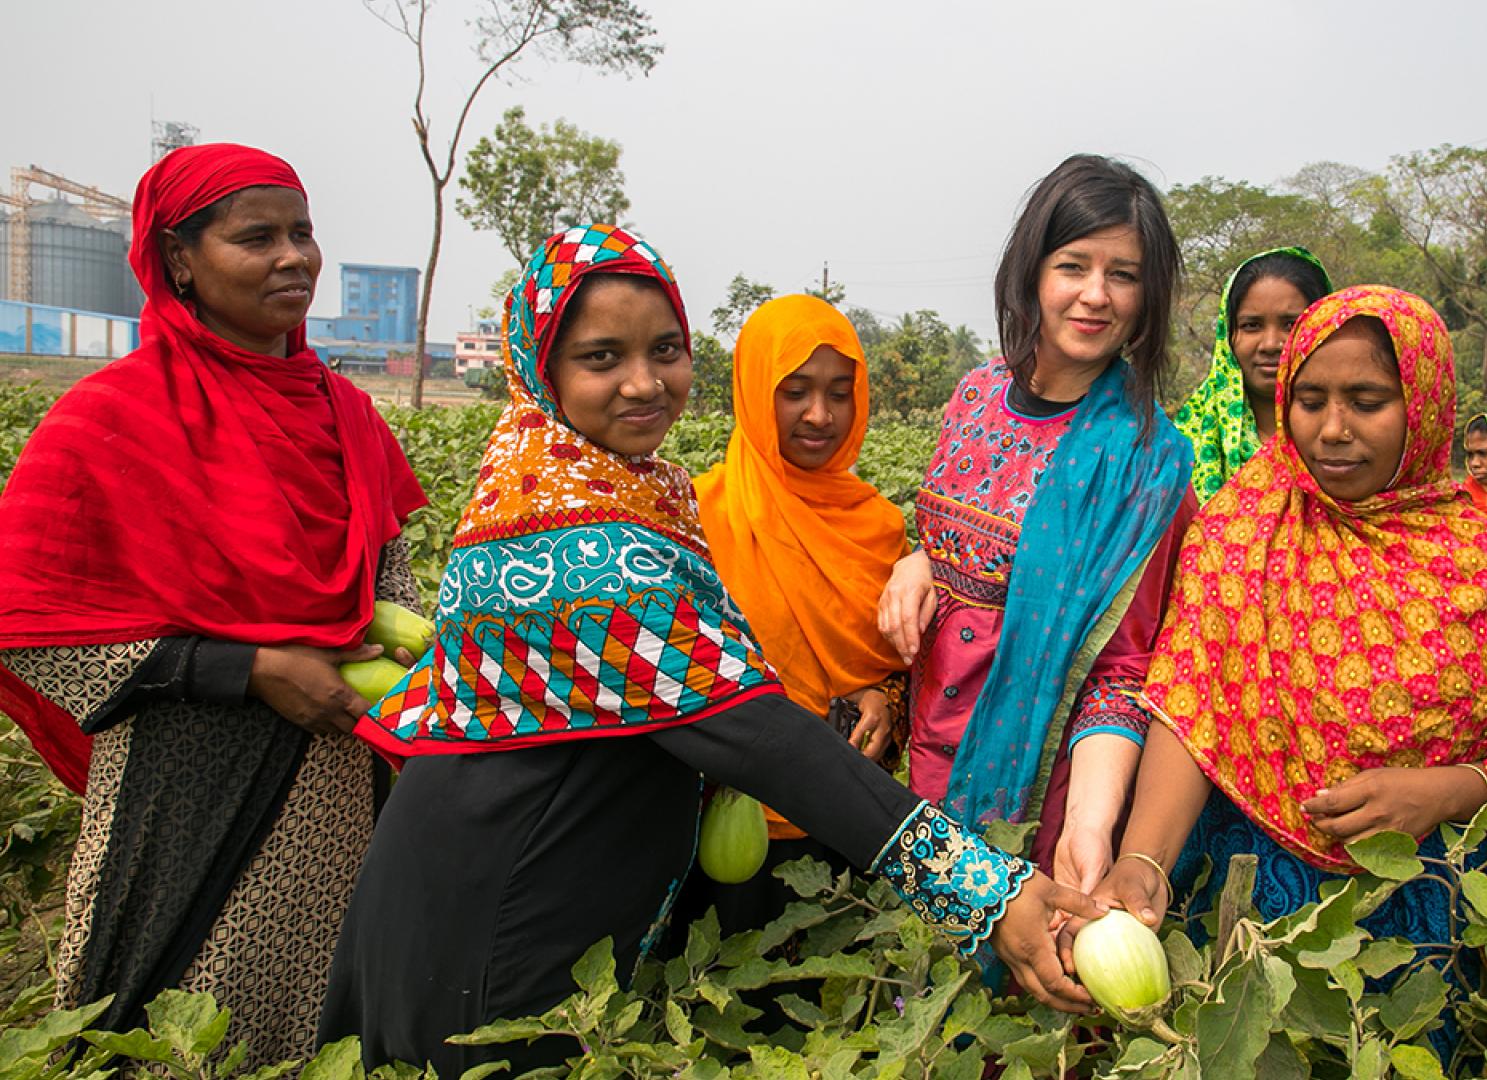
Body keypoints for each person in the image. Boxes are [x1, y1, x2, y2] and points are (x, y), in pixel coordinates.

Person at [320, 225, 1100, 1074]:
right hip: (496, 925)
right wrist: (985, 890)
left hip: (491, 888)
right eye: (601, 358)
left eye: (666, 349)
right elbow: (758, 731)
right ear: (540, 372)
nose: (645, 383)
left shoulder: (568, 480)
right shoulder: (579, 541)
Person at [1078, 285, 1487, 1062]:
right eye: (1309, 399)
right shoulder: (1243, 526)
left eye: (1367, 401)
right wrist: (1144, 859)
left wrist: (1447, 791)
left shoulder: (1483, 563)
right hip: (1251, 892)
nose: (1332, 430)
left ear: (1422, 406)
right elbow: (1193, 709)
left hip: (1418, 903)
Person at [0, 145, 426, 1061]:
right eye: (257, 237)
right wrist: (249, 668)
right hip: (180, 782)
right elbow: (27, 626)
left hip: (338, 778)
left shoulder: (347, 414)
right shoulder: (108, 419)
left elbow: (385, 582)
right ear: (179, 260)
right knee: (174, 1022)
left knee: (324, 1012)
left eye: (303, 233)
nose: (294, 257)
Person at [875, 155, 1197, 899]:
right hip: (926, 756)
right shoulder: (976, 395)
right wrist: (919, 562)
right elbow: (960, 542)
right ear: (1032, 273)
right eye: (1073, 265)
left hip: (1041, 790)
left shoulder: (1146, 463)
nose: (1095, 295)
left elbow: (1121, 669)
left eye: (1124, 274)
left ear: (1148, 296)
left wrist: (1089, 824)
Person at [688, 294, 910, 932]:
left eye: (840, 392)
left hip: (849, 821)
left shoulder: (880, 528)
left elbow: (907, 666)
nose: (820, 415)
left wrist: (885, 703)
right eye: (796, 391)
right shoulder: (698, 518)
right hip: (721, 824)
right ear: (756, 390)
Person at [1173, 246, 1333, 502]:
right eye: (1251, 326)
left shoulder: (1347, 432)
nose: (1271, 344)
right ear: (1228, 335)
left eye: (1291, 325)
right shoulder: (1187, 440)